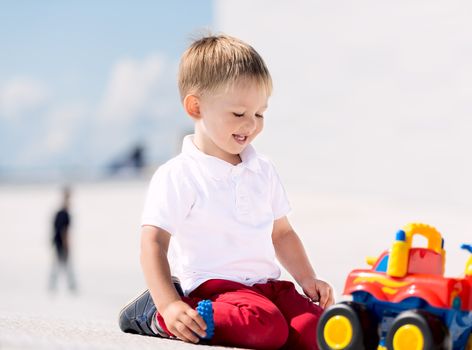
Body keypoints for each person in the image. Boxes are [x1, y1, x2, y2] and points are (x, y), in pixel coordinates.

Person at [119, 34, 334, 349]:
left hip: (266, 287)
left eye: (260, 114)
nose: (251, 124)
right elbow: (153, 243)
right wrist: (167, 303)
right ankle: (155, 317)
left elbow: (283, 234)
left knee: (318, 330)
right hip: (213, 290)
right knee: (265, 329)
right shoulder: (180, 174)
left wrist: (307, 279)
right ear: (196, 107)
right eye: (238, 113)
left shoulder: (263, 169)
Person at [48, 186, 77, 292]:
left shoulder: (59, 213)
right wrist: (66, 243)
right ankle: (70, 285)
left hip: (57, 242)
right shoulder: (64, 214)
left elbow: (55, 228)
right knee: (64, 264)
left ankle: (55, 284)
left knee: (59, 264)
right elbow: (63, 230)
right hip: (61, 243)